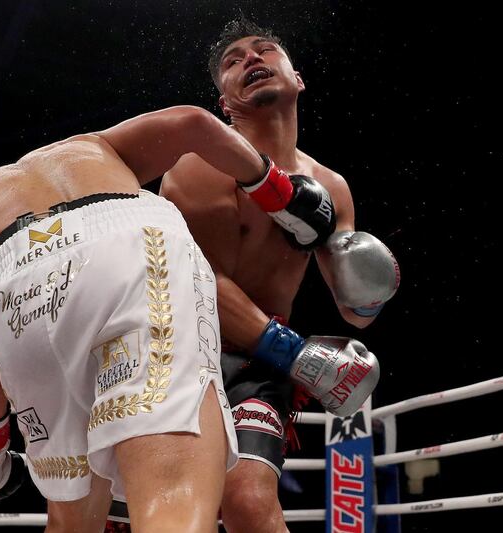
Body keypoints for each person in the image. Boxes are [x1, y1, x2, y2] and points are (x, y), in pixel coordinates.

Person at [0, 105, 354, 532]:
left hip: (20, 296)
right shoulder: (90, 148)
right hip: (124, 249)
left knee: (72, 522)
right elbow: (192, 122)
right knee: (171, 503)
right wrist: (277, 189)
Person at [160, 18, 400, 533]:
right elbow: (198, 282)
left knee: (248, 503)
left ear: (297, 79)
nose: (250, 58)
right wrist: (295, 354)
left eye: (265, 50)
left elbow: (355, 313)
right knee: (167, 514)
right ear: (225, 103)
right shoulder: (198, 166)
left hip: (257, 372)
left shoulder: (332, 188)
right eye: (233, 60)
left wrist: (370, 291)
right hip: (180, 357)